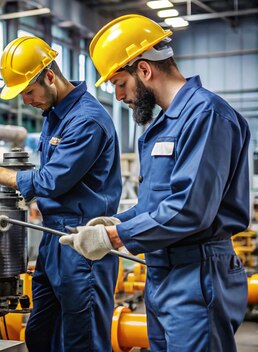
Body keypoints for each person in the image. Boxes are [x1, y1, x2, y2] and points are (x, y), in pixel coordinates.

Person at [60, 14, 249, 351]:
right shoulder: (160, 128)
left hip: (198, 275)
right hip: (162, 273)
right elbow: (155, 206)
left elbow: (191, 211)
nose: (118, 96)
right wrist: (117, 221)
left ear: (144, 70)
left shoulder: (206, 115)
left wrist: (114, 237)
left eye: (120, 83)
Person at [0, 36, 122, 351]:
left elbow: (50, 181)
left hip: (84, 240)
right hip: (53, 237)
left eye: (28, 92)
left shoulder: (86, 120)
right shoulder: (55, 116)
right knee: (40, 333)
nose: (26, 102)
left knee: (82, 338)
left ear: (50, 77)